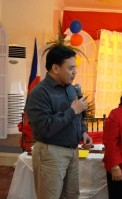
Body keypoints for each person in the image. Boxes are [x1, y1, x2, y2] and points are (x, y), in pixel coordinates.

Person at [25, 45, 92, 199]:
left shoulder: (70, 88)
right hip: (51, 153)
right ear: (55, 68)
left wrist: (83, 131)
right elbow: (45, 128)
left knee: (71, 196)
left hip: (73, 151)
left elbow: (77, 116)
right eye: (71, 68)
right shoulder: (39, 93)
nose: (75, 72)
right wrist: (72, 111)